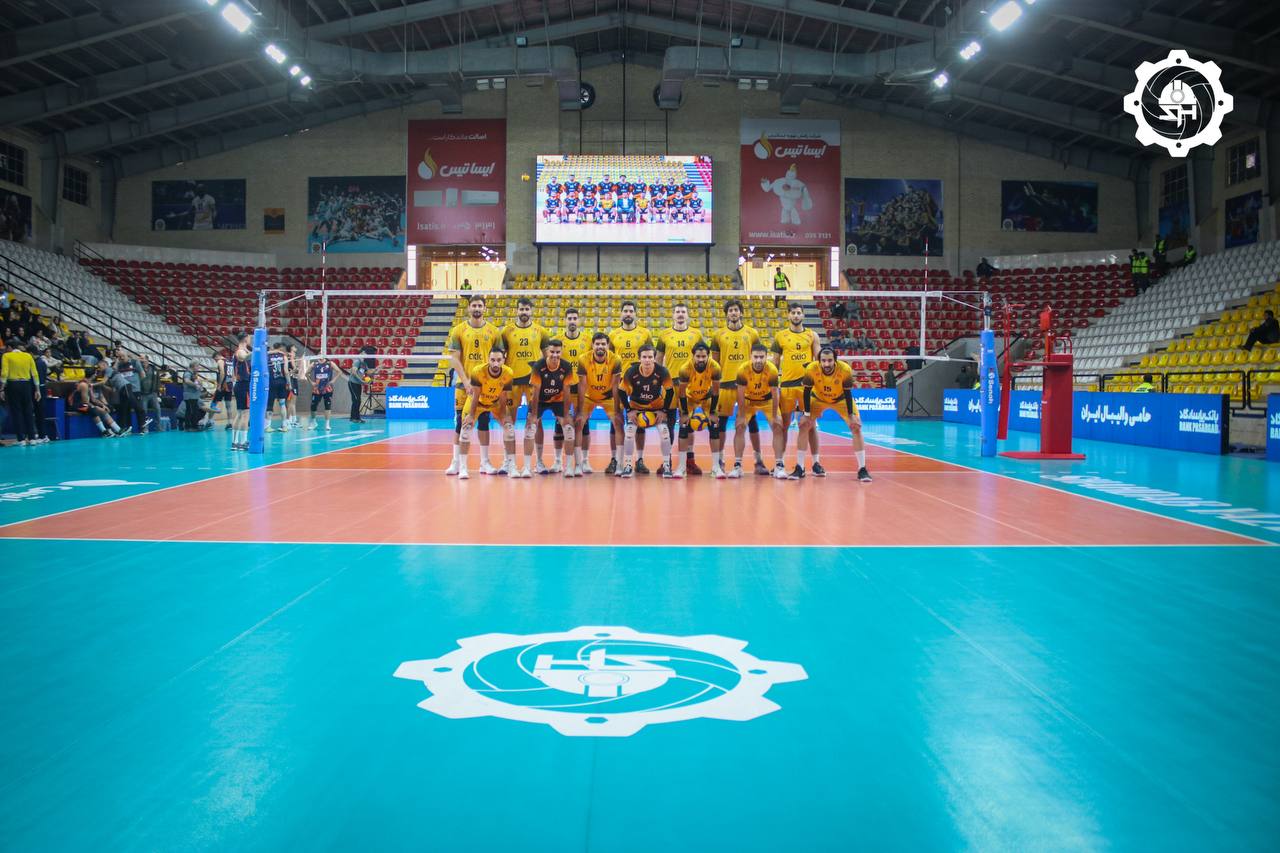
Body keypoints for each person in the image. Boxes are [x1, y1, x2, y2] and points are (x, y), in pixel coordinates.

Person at [444, 295, 502, 476]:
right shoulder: (458, 330)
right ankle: (456, 463)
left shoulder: (494, 331)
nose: (477, 308)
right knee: (460, 423)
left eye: (480, 306)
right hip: (464, 384)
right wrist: (466, 381)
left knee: (484, 422)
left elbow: (499, 359)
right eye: (474, 305)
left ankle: (484, 463)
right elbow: (454, 359)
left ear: (485, 308)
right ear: (468, 308)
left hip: (485, 386)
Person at [801, 347, 872, 482]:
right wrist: (807, 414)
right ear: (819, 361)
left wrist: (851, 415)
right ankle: (809, 465)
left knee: (856, 427)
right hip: (818, 398)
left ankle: (862, 469)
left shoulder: (845, 370)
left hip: (841, 399)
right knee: (805, 425)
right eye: (823, 361)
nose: (826, 364)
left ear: (835, 361)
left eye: (830, 360)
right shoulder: (811, 369)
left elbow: (848, 392)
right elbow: (806, 391)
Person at [710, 299, 764, 476]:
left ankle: (758, 461)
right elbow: (715, 364)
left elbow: (759, 358)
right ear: (726, 314)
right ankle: (720, 460)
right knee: (721, 423)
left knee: (752, 422)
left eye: (736, 310)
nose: (733, 313)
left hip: (747, 386)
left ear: (741, 312)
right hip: (725, 385)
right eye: (730, 310)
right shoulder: (718, 335)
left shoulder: (752, 333)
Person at [770, 302, 820, 479]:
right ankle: (779, 464)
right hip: (787, 387)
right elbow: (775, 363)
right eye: (793, 313)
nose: (796, 315)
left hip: (807, 387)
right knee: (783, 426)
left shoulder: (812, 335)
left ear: (803, 315)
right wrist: (773, 386)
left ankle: (816, 463)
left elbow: (818, 360)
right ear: (788, 315)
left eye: (799, 312)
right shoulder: (780, 336)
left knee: (810, 426)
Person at [500, 298, 551, 470]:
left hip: (533, 382)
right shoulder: (506, 331)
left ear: (531, 311)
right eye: (521, 309)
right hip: (512, 381)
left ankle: (539, 461)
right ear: (517, 311)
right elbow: (500, 357)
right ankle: (508, 461)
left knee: (537, 421)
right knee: (509, 421)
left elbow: (547, 357)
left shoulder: (540, 331)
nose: (524, 312)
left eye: (527, 309)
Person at [656, 303, 704, 474]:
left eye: (683, 311)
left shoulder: (696, 334)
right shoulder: (664, 335)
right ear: (673, 315)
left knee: (688, 424)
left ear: (687, 315)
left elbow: (702, 358)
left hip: (689, 385)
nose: (680, 314)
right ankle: (666, 461)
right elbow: (658, 360)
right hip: (669, 385)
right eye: (677, 311)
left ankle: (689, 460)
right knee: (667, 424)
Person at [608, 300, 654, 473]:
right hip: (619, 383)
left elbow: (651, 356)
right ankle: (615, 460)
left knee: (640, 421)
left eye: (630, 311)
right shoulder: (613, 334)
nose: (628, 313)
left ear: (635, 313)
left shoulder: (645, 333)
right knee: (616, 421)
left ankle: (639, 460)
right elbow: (609, 360)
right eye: (625, 311)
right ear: (621, 314)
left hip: (640, 383)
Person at [617, 344, 675, 478]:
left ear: (654, 358)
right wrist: (629, 410)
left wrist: (664, 411)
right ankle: (627, 465)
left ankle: (667, 466)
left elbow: (670, 391)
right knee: (629, 433)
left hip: (656, 408)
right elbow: (621, 391)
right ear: (639, 359)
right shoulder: (631, 371)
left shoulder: (662, 371)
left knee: (665, 433)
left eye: (650, 357)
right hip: (636, 408)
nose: (647, 360)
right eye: (644, 357)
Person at [457, 350, 516, 481]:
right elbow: (475, 395)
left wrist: (503, 415)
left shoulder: (508, 373)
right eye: (493, 360)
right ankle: (463, 468)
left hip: (495, 403)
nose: (495, 363)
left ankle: (511, 466)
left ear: (504, 360)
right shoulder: (478, 371)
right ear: (488, 360)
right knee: (465, 430)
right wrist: (471, 416)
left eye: (499, 360)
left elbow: (503, 396)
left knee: (509, 429)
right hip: (477, 402)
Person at [526, 340, 578, 478]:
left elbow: (567, 391)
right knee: (531, 427)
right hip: (540, 400)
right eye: (552, 352)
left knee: (569, 429)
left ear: (561, 351)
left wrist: (566, 415)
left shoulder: (566, 366)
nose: (555, 355)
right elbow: (535, 392)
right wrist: (534, 415)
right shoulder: (538, 366)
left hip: (558, 400)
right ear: (547, 351)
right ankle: (535, 464)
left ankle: (568, 466)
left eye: (558, 352)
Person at [729, 344, 780, 479]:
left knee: (778, 426)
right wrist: (741, 415)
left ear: (766, 357)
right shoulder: (743, 369)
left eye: (761, 357)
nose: (758, 360)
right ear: (750, 357)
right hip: (749, 401)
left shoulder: (772, 370)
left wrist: (775, 415)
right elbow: (740, 393)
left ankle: (779, 466)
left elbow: (775, 393)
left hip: (767, 400)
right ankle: (737, 466)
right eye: (755, 357)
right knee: (740, 426)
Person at [575, 332, 623, 476]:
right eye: (597, 344)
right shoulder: (583, 359)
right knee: (578, 423)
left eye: (603, 344)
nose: (600, 346)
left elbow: (616, 386)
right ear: (592, 345)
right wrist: (579, 411)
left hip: (608, 397)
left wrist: (617, 410)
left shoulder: (616, 359)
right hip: (589, 396)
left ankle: (618, 463)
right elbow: (582, 386)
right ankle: (580, 463)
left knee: (618, 423)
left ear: (608, 345)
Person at [674, 342, 721, 478]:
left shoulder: (715, 367)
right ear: (693, 356)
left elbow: (716, 392)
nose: (701, 359)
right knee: (683, 427)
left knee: (714, 426)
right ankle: (681, 467)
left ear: (708, 356)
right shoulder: (685, 369)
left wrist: (712, 412)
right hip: (689, 399)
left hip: (707, 398)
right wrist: (684, 413)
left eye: (703, 356)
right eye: (698, 356)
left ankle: (716, 467)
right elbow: (682, 393)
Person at [2, 337, 41, 446]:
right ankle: (32, 438)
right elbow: (35, 373)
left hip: (13, 384)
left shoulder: (6, 356)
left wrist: (1, 388)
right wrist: (37, 389)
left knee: (17, 411)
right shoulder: (28, 356)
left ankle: (21, 439)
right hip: (26, 385)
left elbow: (4, 373)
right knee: (28, 411)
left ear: (9, 347)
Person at [231, 332, 252, 450]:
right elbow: (243, 356)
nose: (250, 339)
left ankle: (235, 443)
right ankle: (242, 442)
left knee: (240, 413)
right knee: (245, 414)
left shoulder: (246, 350)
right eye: (249, 337)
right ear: (245, 339)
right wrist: (257, 351)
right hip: (243, 385)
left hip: (241, 385)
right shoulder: (240, 351)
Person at [265, 342, 290, 432]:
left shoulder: (268, 356)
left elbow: (263, 353)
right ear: (280, 348)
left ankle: (268, 426)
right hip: (282, 381)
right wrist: (289, 383)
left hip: (271, 382)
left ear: (273, 347)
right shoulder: (284, 356)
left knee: (270, 404)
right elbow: (286, 371)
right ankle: (284, 426)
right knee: (282, 404)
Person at [308, 355, 338, 431]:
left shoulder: (330, 363)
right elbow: (306, 373)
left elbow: (339, 371)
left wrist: (333, 380)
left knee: (327, 405)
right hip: (317, 389)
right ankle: (313, 422)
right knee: (313, 405)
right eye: (319, 354)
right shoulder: (314, 364)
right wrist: (311, 382)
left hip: (327, 388)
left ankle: (327, 424)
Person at [137, 354, 163, 431]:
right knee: (144, 412)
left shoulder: (154, 369)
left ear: (147, 360)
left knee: (158, 409)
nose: (142, 361)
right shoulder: (138, 369)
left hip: (153, 394)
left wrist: (157, 392)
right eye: (140, 359)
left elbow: (158, 380)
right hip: (143, 394)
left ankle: (158, 427)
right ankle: (145, 428)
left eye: (143, 359)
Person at [211, 348, 235, 429]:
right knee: (228, 405)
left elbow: (222, 373)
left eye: (215, 359)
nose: (215, 361)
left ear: (217, 356)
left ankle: (209, 421)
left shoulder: (220, 361)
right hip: (229, 385)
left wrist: (219, 385)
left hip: (223, 386)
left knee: (214, 402)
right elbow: (233, 374)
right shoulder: (230, 361)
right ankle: (230, 423)